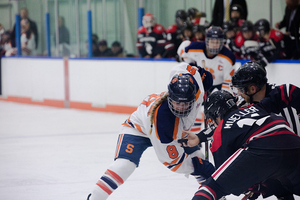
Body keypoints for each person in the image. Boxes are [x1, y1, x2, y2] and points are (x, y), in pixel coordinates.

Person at [86, 62, 215, 200]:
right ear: (170, 97)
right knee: (125, 164)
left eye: (186, 103)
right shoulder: (164, 121)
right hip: (139, 128)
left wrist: (201, 73)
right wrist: (197, 167)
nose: (181, 108)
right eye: (177, 103)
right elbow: (173, 162)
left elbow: (183, 67)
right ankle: (94, 198)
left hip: (176, 129)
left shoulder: (198, 89)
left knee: (199, 156)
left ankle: (211, 194)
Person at [183, 90, 300, 200]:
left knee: (213, 186)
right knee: (282, 183)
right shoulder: (256, 107)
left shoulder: (220, 131)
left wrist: (251, 187)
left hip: (261, 147)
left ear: (216, 114)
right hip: (294, 143)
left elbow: (228, 175)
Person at [231, 61, 300, 136]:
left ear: (252, 89)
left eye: (240, 90)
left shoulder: (284, 98)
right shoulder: (245, 104)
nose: (238, 94)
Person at [177, 26, 236, 93]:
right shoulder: (195, 47)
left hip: (219, 86)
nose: (214, 45)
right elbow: (182, 49)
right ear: (207, 41)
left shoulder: (228, 57)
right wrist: (191, 64)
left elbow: (228, 82)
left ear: (222, 42)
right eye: (212, 41)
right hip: (201, 84)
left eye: (217, 42)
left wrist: (224, 95)